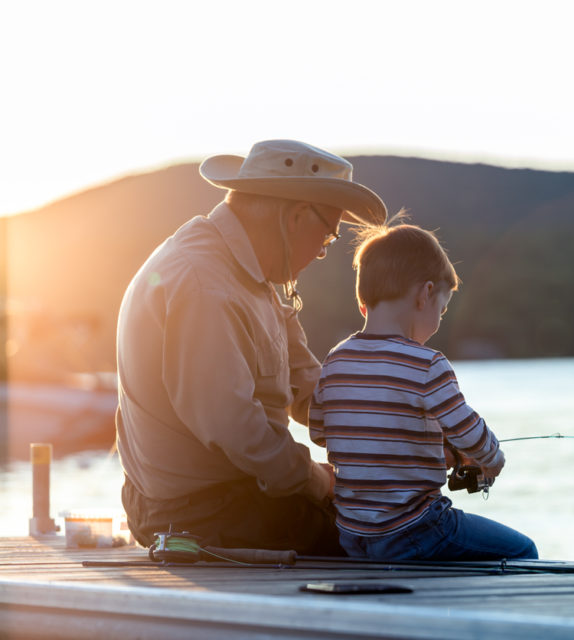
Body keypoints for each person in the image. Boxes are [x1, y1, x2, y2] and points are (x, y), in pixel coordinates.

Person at [116, 139, 386, 554]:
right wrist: (319, 481)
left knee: (386, 519)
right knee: (387, 536)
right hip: (197, 511)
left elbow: (307, 387)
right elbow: (235, 426)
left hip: (226, 497)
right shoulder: (204, 283)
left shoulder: (252, 276)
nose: (321, 252)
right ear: (296, 216)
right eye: (328, 236)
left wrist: (391, 431)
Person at [308, 223, 538, 561]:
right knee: (522, 550)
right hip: (416, 530)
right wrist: (493, 459)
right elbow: (470, 433)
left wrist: (414, 447)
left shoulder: (335, 360)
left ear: (363, 303)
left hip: (354, 537)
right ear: (425, 294)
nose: (439, 320)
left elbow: (319, 432)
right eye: (441, 310)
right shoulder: (427, 364)